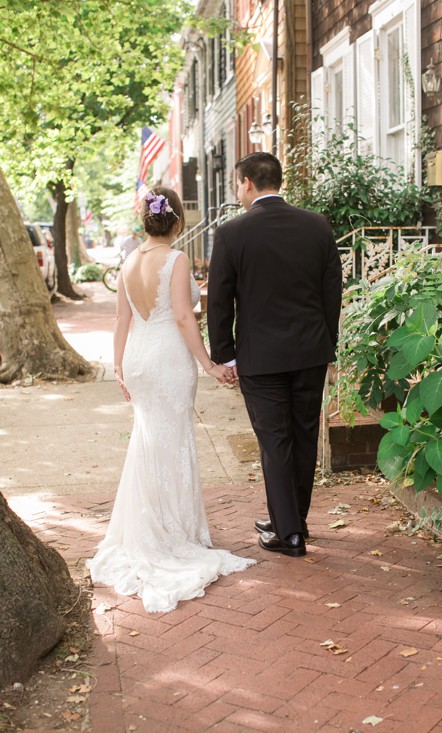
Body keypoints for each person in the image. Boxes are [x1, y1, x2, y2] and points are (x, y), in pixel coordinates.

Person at [88, 187, 254, 614]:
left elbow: (122, 320)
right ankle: (171, 536)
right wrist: (210, 364)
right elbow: (183, 317)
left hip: (139, 359)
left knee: (149, 441)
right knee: (173, 440)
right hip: (167, 360)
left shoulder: (128, 262)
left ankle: (150, 528)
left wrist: (119, 368)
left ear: (145, 220)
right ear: (177, 221)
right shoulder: (176, 260)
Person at [207, 152, 343, 559]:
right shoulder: (316, 225)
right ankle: (293, 521)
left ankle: (290, 536)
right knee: (302, 436)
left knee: (275, 441)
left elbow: (219, 301)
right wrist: (326, 341)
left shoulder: (232, 233)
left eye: (237, 183)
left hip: (260, 357)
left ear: (247, 183)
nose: (237, 190)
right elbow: (331, 290)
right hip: (310, 351)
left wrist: (224, 355)